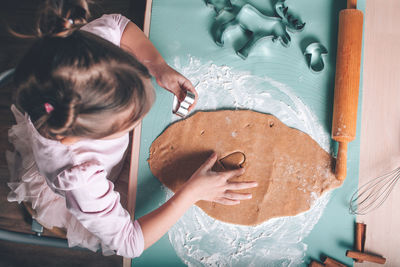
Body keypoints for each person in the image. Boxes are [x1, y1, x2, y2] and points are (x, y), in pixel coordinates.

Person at [6, 0, 258, 258]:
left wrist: (157, 66)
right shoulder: (79, 179)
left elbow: (118, 24)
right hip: (104, 183)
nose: (141, 119)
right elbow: (130, 244)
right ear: (79, 136)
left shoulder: (82, 54)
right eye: (130, 122)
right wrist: (192, 192)